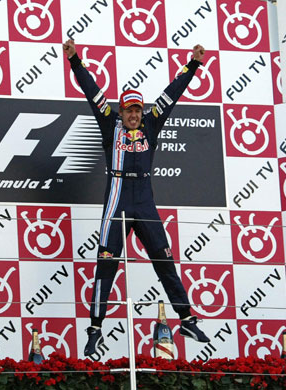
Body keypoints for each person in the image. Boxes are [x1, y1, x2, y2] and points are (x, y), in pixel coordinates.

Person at [63, 39, 210, 356]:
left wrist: (194, 64)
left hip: (143, 199)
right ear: (121, 110)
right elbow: (92, 90)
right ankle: (95, 329)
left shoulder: (152, 122)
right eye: (128, 109)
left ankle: (185, 317)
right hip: (116, 198)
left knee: (164, 258)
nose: (133, 115)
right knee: (105, 264)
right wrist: (75, 61)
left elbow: (173, 93)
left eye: (137, 110)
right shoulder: (108, 121)